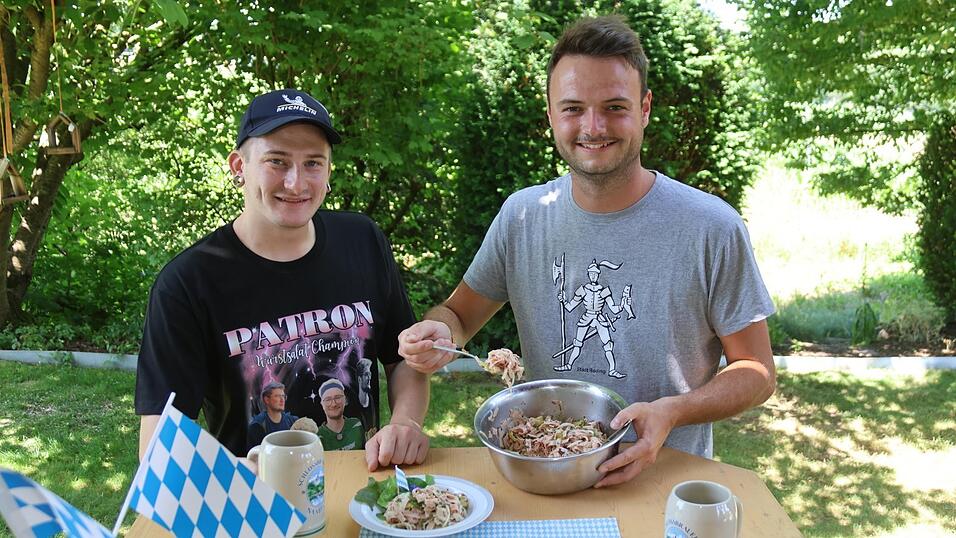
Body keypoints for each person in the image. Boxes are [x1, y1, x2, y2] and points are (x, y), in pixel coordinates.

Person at [398, 15, 776, 487]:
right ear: (551, 115)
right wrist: (440, 330)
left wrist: (674, 411)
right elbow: (458, 314)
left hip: (665, 484)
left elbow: (757, 372)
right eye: (573, 108)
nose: (593, 127)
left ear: (644, 108)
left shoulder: (710, 227)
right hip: (547, 473)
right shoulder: (522, 217)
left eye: (614, 107)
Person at [135, 88, 429, 471]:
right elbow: (159, 444)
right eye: (277, 161)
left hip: (366, 491)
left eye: (313, 163)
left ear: (329, 171)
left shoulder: (363, 241)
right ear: (239, 167)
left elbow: (403, 360)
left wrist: (405, 422)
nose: (296, 183)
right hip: (256, 508)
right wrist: (234, 476)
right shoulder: (188, 282)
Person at [247, 381, 299, 450]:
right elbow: (254, 455)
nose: (282, 400)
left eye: (283, 396)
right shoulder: (257, 426)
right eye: (277, 396)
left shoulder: (293, 421)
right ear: (267, 400)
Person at [316, 378, 365, 450]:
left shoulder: (357, 425)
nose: (333, 404)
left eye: (338, 398)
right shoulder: (318, 435)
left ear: (345, 400)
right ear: (322, 404)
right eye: (328, 400)